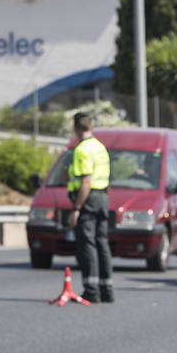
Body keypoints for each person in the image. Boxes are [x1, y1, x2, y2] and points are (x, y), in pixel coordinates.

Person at [66, 112, 113, 303]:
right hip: (102, 197)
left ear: (76, 127)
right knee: (102, 243)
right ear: (91, 127)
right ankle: (106, 289)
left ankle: (91, 290)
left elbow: (86, 181)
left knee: (87, 244)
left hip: (88, 198)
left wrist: (77, 208)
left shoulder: (82, 149)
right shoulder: (100, 147)